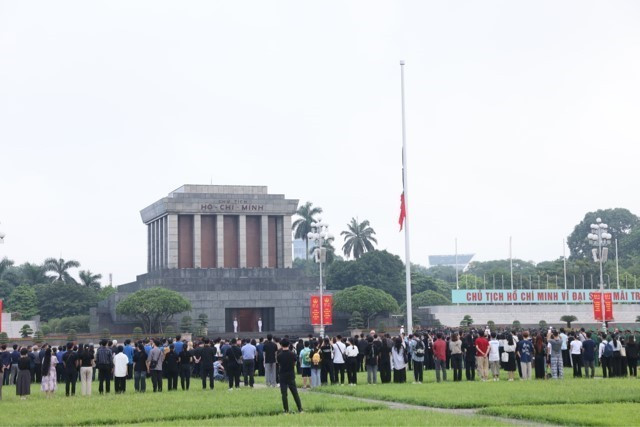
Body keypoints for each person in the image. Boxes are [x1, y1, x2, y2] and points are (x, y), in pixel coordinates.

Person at [277, 339, 303, 413]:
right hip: (291, 375)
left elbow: (279, 364)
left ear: (281, 345)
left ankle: (286, 410)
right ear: (289, 345)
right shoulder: (292, 354)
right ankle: (300, 409)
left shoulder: (279, 355)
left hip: (282, 375)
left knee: (284, 394)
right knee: (295, 393)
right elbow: (294, 363)